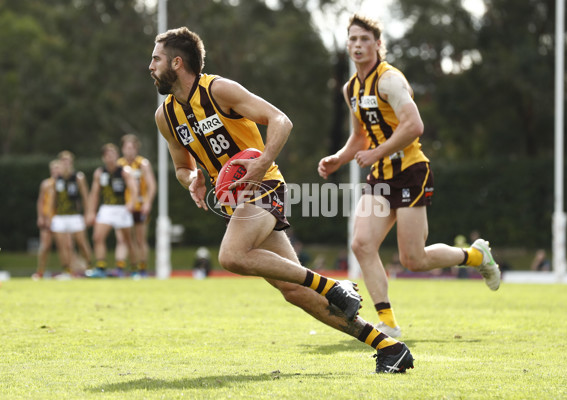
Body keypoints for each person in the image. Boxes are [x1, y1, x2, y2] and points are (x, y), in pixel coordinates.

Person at [149, 26, 413, 373]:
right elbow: (182, 167)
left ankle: (332, 286)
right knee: (296, 291)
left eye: (156, 59)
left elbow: (280, 121)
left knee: (231, 255)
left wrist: (260, 165)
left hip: (264, 187)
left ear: (177, 62)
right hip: (236, 203)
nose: (150, 65)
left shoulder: (218, 89)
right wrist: (194, 180)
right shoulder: (165, 116)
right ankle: (389, 347)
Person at [318, 14, 501, 338]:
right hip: (381, 175)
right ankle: (387, 322)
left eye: (364, 39)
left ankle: (475, 255)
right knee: (361, 244)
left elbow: (414, 126)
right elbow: (360, 136)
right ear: (348, 44)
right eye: (353, 39)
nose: (358, 45)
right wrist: (338, 158)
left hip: (411, 171)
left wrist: (376, 152)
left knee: (413, 259)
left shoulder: (390, 80)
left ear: (377, 44)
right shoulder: (351, 89)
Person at [86, 143, 139, 278]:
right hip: (107, 208)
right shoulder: (99, 173)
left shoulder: (124, 171)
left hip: (122, 208)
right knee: (97, 237)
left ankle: (134, 269)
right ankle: (101, 267)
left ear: (117, 155)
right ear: (103, 157)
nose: (110, 157)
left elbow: (134, 189)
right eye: (107, 155)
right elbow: (95, 193)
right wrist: (91, 212)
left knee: (128, 241)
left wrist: (131, 203)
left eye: (113, 154)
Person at [115, 133, 157, 278]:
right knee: (122, 239)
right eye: (127, 148)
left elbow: (151, 185)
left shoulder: (142, 164)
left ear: (136, 149)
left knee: (140, 239)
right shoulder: (118, 165)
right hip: (123, 207)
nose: (129, 151)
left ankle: (142, 268)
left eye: (132, 148)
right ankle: (120, 267)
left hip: (139, 206)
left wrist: (147, 203)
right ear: (122, 149)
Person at [50, 151, 93, 278]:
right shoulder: (56, 179)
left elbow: (85, 197)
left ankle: (90, 267)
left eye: (68, 161)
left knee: (82, 242)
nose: (66, 164)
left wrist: (88, 213)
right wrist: (50, 216)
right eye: (63, 161)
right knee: (62, 245)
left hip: (74, 215)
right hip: (60, 216)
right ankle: (67, 270)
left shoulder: (78, 177)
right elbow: (53, 199)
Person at [33, 160, 62, 280]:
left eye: (57, 169)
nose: (55, 171)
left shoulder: (63, 184)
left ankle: (69, 270)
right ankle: (40, 271)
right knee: (45, 246)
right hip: (47, 219)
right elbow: (41, 201)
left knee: (65, 246)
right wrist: (40, 217)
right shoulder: (46, 184)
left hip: (60, 219)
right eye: (53, 169)